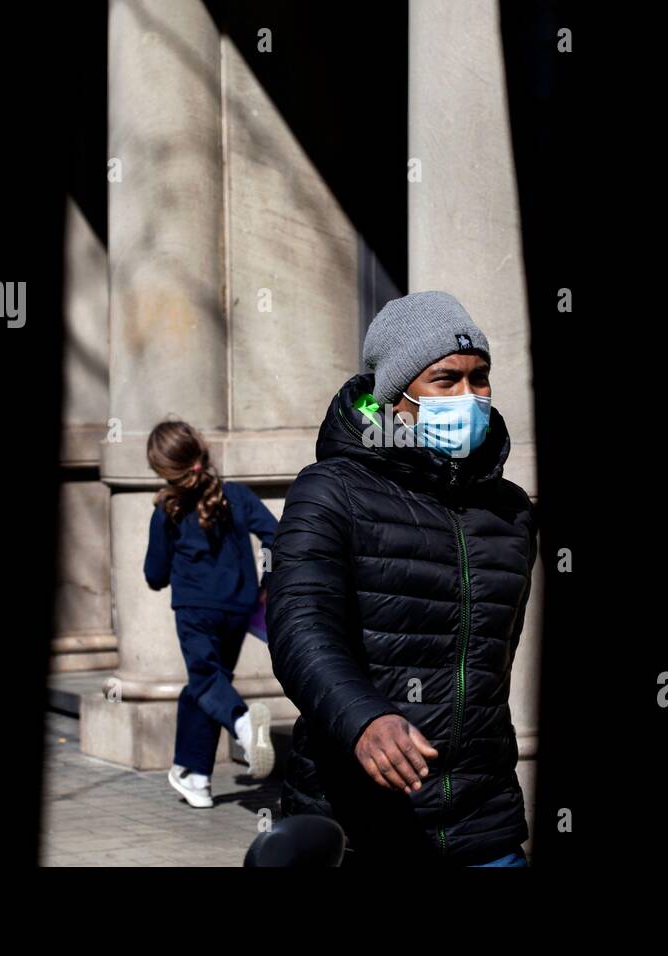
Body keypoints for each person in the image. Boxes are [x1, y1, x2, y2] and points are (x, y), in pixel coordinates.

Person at [265, 290, 537, 866]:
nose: (469, 396)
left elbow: (493, 662)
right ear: (397, 395)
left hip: (483, 824)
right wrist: (367, 719)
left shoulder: (510, 510)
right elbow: (299, 629)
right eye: (446, 379)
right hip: (360, 823)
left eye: (479, 377)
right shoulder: (329, 491)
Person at [143, 421, 279, 808]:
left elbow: (154, 574)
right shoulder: (236, 495)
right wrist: (267, 579)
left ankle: (243, 724)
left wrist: (162, 574)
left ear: (163, 470)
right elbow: (275, 533)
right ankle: (194, 775)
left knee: (206, 683)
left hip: (196, 610)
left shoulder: (168, 509)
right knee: (205, 685)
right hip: (239, 608)